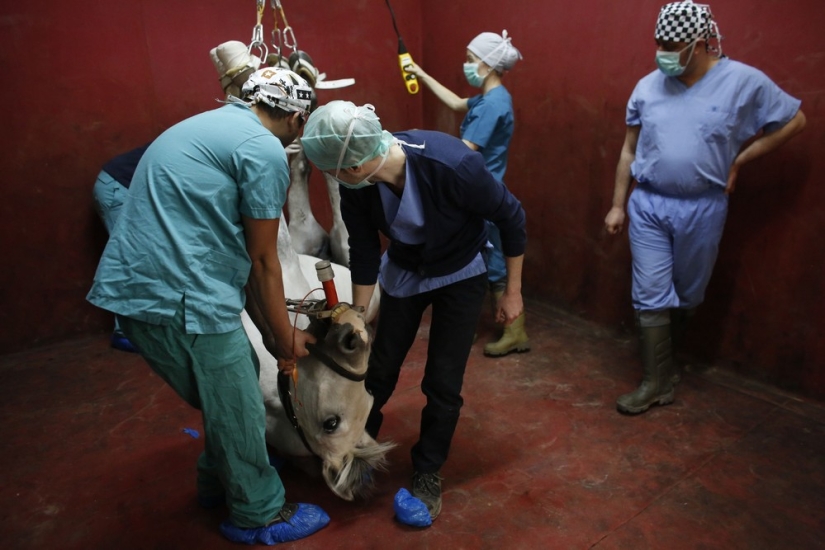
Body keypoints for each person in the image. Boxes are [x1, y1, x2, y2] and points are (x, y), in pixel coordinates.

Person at [87, 67, 331, 545]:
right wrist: (285, 341)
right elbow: (263, 260)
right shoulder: (264, 150)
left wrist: (271, 333)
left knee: (229, 384)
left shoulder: (201, 125)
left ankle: (217, 480)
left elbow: (238, 252)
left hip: (147, 287)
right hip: (181, 296)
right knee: (238, 403)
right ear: (299, 120)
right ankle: (259, 512)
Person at [300, 101, 527, 522]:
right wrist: (358, 312)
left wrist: (512, 292)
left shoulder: (454, 165)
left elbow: (512, 217)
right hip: (406, 269)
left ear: (351, 167)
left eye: (331, 172)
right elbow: (365, 248)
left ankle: (427, 470)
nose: (332, 178)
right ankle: (359, 444)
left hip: (461, 270)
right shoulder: (360, 187)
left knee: (442, 380)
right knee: (379, 368)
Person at [604, 1, 806, 415]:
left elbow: (795, 121)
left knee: (688, 291)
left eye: (672, 44)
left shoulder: (743, 82)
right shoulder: (647, 87)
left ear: (700, 44)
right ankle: (655, 382)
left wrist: (740, 160)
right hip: (648, 205)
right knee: (650, 293)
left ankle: (667, 364)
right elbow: (628, 151)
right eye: (658, 43)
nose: (662, 52)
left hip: (703, 207)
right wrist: (617, 206)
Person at [405, 30, 528, 357]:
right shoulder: (490, 99)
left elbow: (466, 149)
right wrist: (422, 75)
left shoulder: (493, 105)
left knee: (491, 259)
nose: (467, 66)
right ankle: (476, 324)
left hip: (481, 190)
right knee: (482, 256)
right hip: (478, 187)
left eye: (472, 61)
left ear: (488, 65)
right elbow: (457, 102)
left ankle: (514, 330)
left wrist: (423, 149)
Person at [92, 143, 151, 352]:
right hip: (120, 188)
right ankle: (123, 333)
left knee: (141, 257)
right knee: (132, 257)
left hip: (132, 188)